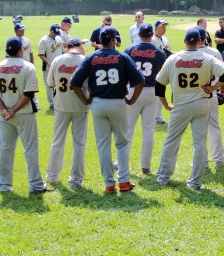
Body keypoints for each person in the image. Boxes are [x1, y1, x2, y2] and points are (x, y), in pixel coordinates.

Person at [155, 28, 224, 190]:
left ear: (184, 41)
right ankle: (195, 180)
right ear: (199, 41)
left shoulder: (173, 58)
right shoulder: (208, 58)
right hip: (201, 103)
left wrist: (165, 104)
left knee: (172, 140)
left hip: (181, 104)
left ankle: (163, 177)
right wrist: (214, 87)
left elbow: (159, 85)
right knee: (199, 142)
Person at [70, 27, 144, 192]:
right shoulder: (123, 57)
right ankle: (124, 181)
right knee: (122, 143)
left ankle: (109, 183)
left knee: (103, 144)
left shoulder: (90, 57)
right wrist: (132, 100)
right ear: (112, 40)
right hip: (117, 102)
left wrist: (86, 99)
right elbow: (140, 81)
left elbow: (74, 82)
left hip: (98, 103)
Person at [0, 37, 51, 193]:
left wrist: (4, 110)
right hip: (24, 114)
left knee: (5, 149)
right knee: (30, 149)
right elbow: (29, 93)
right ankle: (36, 185)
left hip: (5, 116)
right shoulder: (28, 67)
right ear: (21, 50)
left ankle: (3, 185)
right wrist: (14, 110)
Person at [45, 38, 90, 188]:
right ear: (80, 47)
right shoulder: (85, 60)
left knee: (57, 141)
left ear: (67, 47)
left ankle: (52, 175)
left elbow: (50, 83)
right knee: (79, 144)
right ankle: (76, 179)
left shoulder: (58, 59)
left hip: (61, 105)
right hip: (80, 106)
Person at [124, 24, 166, 174]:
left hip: (134, 89)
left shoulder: (129, 50)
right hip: (152, 91)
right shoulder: (159, 53)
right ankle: (146, 166)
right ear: (151, 35)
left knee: (128, 128)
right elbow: (162, 75)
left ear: (139, 34)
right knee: (148, 129)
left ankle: (122, 163)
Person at [195, 26, 224, 169]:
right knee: (214, 127)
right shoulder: (214, 52)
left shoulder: (188, 53)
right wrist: (220, 90)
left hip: (194, 96)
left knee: (199, 130)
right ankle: (219, 160)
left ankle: (203, 162)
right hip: (211, 93)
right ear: (206, 38)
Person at [38, 24, 65, 108]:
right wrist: (48, 63)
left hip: (59, 67)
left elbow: (63, 52)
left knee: (59, 84)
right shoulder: (43, 40)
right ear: (51, 31)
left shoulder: (59, 38)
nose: (56, 34)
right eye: (55, 33)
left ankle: (59, 101)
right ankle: (52, 103)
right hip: (47, 68)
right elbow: (41, 54)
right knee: (49, 85)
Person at [151, 19, 171, 124]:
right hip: (155, 70)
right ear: (156, 28)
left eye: (165, 27)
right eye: (162, 27)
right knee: (157, 94)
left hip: (164, 69)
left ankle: (157, 117)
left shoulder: (165, 39)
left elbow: (169, 53)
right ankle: (157, 117)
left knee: (160, 94)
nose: (164, 29)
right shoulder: (152, 40)